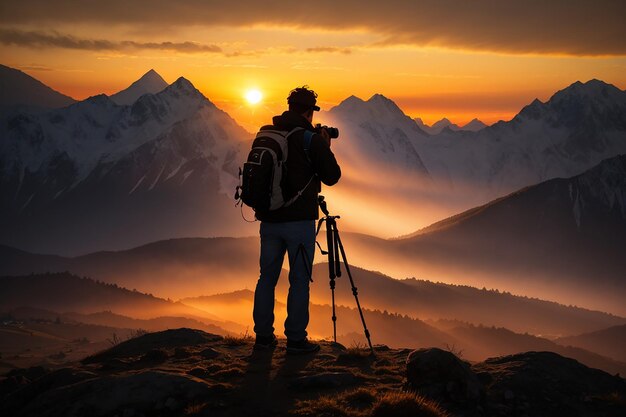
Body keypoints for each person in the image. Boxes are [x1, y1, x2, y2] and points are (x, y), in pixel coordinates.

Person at [252, 86, 341, 353]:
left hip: (268, 220)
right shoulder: (309, 139)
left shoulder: (267, 133)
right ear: (309, 111)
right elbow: (332, 176)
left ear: (289, 106)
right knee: (299, 280)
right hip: (299, 222)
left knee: (266, 278)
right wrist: (324, 145)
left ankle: (263, 338)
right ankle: (295, 339)